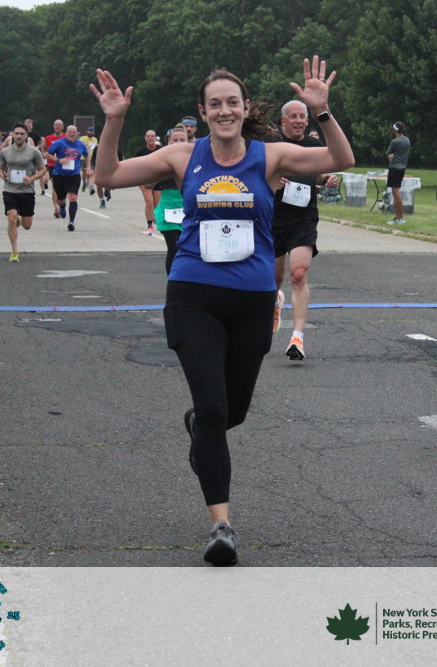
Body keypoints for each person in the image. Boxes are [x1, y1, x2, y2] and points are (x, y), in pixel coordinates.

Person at [90, 55, 354, 566]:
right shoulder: (181, 156)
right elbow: (107, 174)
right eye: (215, 104)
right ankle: (221, 526)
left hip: (252, 300)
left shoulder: (269, 157)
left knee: (232, 413)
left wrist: (322, 111)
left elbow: (340, 159)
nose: (225, 110)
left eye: (233, 102)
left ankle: (200, 427)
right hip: (193, 295)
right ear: (203, 112)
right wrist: (115, 120)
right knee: (213, 410)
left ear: (245, 108)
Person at [272, 100, 341, 361]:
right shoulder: (272, 144)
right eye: (294, 116)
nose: (300, 120)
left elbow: (319, 173)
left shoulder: (314, 146)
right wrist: (272, 179)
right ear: (284, 121)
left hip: (303, 218)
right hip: (273, 217)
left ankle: (297, 337)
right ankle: (274, 301)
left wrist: (327, 178)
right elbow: (256, 173)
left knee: (299, 273)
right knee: (274, 278)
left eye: (303, 116)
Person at [0, 123, 49, 262]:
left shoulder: (33, 152)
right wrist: (1, 173)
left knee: (27, 225)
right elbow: (0, 168)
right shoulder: (5, 152)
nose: (19, 136)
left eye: (22, 134)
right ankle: (14, 251)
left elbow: (42, 170)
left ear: (26, 135)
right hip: (10, 189)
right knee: (11, 217)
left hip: (27, 191)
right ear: (12, 135)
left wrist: (31, 179)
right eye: (17, 133)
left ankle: (19, 220)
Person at [154, 125, 189, 274]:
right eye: (175, 140)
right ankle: (172, 280)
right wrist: (160, 172)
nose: (179, 143)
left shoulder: (195, 158)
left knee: (189, 249)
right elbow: (148, 185)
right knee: (174, 248)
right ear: (169, 141)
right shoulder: (161, 158)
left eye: (182, 140)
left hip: (188, 207)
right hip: (168, 207)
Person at [46, 125, 91, 232]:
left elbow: (86, 155)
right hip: (59, 175)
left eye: (73, 132)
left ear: (76, 134)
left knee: (73, 197)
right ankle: (62, 206)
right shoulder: (59, 143)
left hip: (74, 175)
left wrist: (88, 167)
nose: (71, 134)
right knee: (61, 199)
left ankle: (71, 222)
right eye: (69, 132)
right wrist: (59, 160)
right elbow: (48, 154)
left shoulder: (80, 144)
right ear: (66, 133)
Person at [135, 129, 162, 234]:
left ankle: (159, 223)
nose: (150, 138)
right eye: (148, 136)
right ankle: (150, 226)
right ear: (145, 138)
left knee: (157, 204)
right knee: (149, 203)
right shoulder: (141, 152)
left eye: (152, 136)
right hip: (145, 180)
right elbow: (135, 165)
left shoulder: (161, 150)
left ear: (155, 138)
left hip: (158, 179)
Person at [385, 121, 410, 225]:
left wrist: (390, 156)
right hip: (402, 168)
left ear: (395, 130)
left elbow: (388, 153)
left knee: (395, 192)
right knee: (396, 191)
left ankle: (399, 217)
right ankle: (399, 217)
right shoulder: (407, 140)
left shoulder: (395, 141)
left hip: (394, 167)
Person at [43, 119, 65, 213]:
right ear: (53, 126)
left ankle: (62, 204)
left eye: (59, 125)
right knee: (55, 187)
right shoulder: (48, 138)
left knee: (63, 187)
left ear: (62, 127)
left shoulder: (66, 137)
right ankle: (56, 208)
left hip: (64, 165)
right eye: (55, 125)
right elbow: (44, 148)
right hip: (52, 165)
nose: (57, 126)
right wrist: (44, 155)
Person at [80, 126, 98, 195]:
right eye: (89, 131)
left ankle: (91, 186)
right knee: (84, 172)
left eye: (92, 131)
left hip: (92, 158)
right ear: (87, 131)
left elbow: (96, 147)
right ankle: (84, 183)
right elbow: (79, 146)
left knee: (91, 173)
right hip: (83, 157)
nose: (90, 132)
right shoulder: (83, 138)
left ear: (93, 132)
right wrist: (85, 146)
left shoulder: (95, 139)